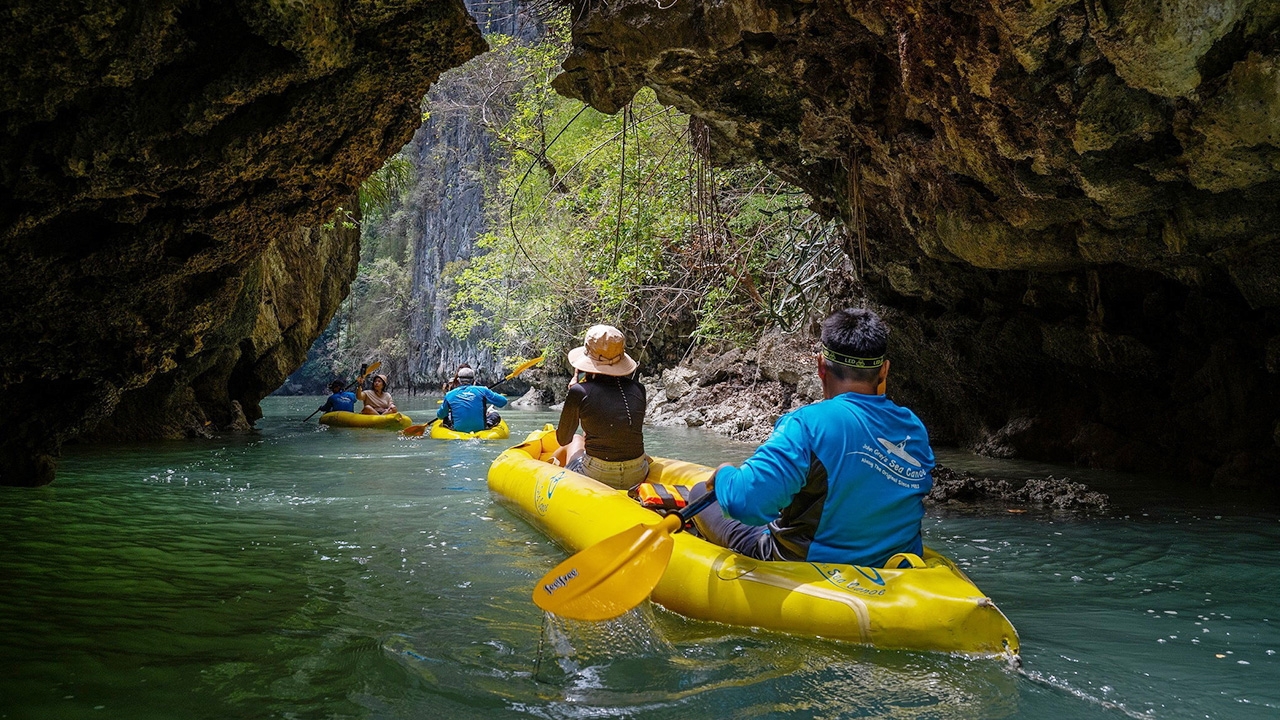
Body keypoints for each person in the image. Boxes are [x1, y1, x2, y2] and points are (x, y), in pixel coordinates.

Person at [687, 308, 935, 568]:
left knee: (697, 493)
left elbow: (743, 503)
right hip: (893, 565)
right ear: (884, 370)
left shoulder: (807, 424)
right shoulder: (913, 427)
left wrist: (726, 474)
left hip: (810, 564)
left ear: (820, 366)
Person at [552, 324, 648, 489]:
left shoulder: (579, 391)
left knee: (576, 438)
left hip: (598, 473)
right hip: (638, 471)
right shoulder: (639, 389)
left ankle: (549, 467)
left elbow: (563, 439)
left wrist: (576, 385)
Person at [437, 366, 507, 432]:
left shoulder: (449, 394)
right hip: (480, 428)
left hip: (458, 429)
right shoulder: (483, 390)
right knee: (495, 414)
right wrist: (487, 396)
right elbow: (503, 402)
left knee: (447, 416)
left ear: (458, 380)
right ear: (473, 380)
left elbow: (440, 415)